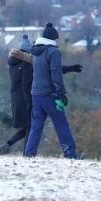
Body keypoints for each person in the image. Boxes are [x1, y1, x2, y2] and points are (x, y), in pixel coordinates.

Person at [0, 34, 82, 155]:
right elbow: (28, 84)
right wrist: (29, 104)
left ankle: (13, 148)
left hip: (17, 101)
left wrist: (69, 69)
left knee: (30, 128)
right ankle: (26, 154)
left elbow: (46, 68)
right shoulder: (27, 65)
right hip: (28, 99)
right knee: (32, 128)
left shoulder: (13, 64)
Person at [23, 23, 82, 159]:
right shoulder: (53, 52)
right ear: (52, 39)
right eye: (56, 39)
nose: (57, 42)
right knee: (62, 125)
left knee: (36, 127)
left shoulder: (35, 51)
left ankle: (28, 154)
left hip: (36, 94)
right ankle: (70, 154)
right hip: (50, 95)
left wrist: (70, 68)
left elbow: (46, 70)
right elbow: (55, 75)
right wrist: (62, 94)